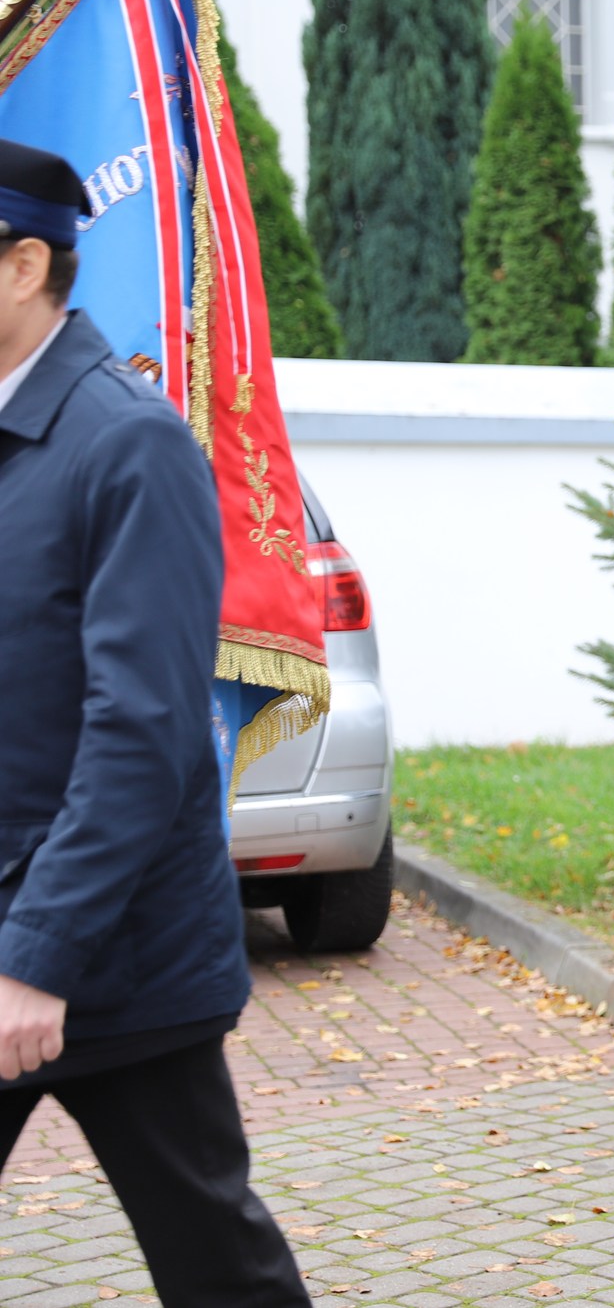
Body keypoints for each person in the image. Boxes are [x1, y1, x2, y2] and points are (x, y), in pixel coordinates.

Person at [0, 139, 312, 1306]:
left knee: (210, 1255)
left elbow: (142, 731)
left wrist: (37, 958)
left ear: (25, 264)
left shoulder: (125, 444)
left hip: (113, 959)